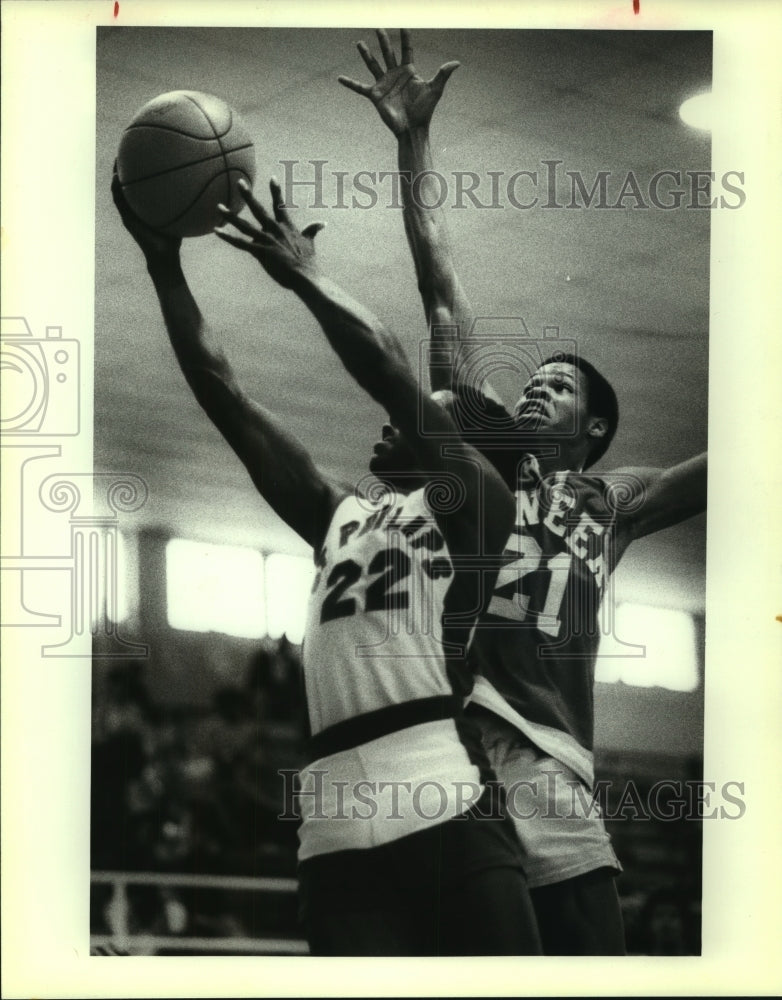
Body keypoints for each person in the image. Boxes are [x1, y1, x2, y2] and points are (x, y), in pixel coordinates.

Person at [340, 29, 707, 955]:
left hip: (553, 754)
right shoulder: (488, 451)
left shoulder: (609, 502)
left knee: (593, 960)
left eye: (561, 384)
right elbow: (440, 281)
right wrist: (411, 142)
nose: (538, 383)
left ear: (591, 429)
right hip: (458, 739)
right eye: (533, 375)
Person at [112, 169, 541, 955]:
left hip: (441, 795)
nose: (392, 425)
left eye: (422, 423)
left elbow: (385, 371)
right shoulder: (338, 513)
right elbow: (223, 395)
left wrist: (308, 279)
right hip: (334, 824)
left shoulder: (479, 511)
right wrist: (163, 263)